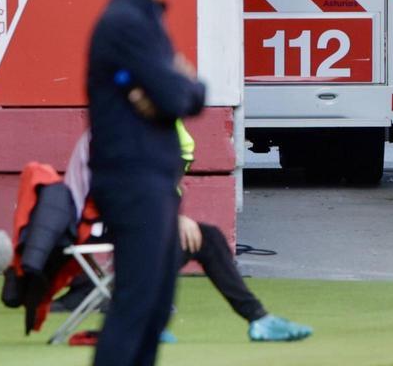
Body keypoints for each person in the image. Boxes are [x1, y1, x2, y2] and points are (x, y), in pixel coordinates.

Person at [87, 0, 207, 366]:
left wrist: (178, 89)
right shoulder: (125, 23)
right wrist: (178, 86)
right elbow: (180, 94)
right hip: (132, 180)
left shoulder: (146, 19)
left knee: (154, 310)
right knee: (135, 308)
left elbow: (182, 95)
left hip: (153, 178)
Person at [61, 129, 311, 341]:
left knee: (206, 238)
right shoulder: (112, 134)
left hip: (117, 224)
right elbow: (115, 195)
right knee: (204, 239)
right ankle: (257, 318)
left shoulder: (123, 129)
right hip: (101, 226)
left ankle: (256, 318)